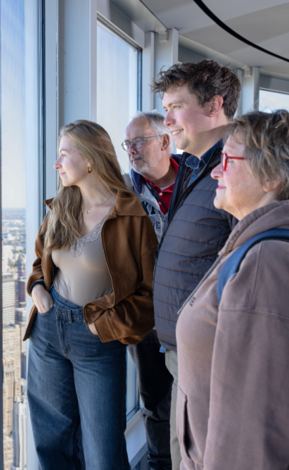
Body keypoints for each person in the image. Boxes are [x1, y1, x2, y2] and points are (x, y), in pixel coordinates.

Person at [24, 120, 158, 470]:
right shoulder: (60, 208)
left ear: (89, 159)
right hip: (48, 333)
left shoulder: (131, 214)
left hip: (98, 339)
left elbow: (149, 293)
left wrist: (105, 326)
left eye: (63, 155)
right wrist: (37, 287)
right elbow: (41, 261)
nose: (56, 164)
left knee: (103, 452)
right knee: (51, 444)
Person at [176, 109, 289, 469]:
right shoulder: (253, 244)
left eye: (227, 159)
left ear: (270, 175)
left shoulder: (263, 263)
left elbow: (249, 433)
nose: (215, 170)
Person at [150, 60, 240, 468]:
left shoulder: (235, 170)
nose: (166, 119)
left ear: (213, 105)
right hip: (184, 350)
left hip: (210, 354)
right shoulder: (197, 165)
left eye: (175, 106)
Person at [122, 111, 178, 470]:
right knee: (156, 402)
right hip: (147, 317)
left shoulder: (200, 182)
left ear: (164, 141)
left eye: (139, 141)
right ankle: (160, 464)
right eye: (127, 144)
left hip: (195, 313)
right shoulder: (124, 193)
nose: (131, 150)